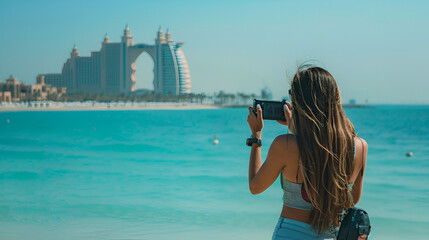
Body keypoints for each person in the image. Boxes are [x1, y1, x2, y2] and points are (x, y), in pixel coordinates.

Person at [246, 65, 368, 239]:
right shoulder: (360, 147)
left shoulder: (285, 144)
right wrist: (297, 131)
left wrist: (256, 136)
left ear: (300, 102)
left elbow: (255, 186)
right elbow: (351, 200)